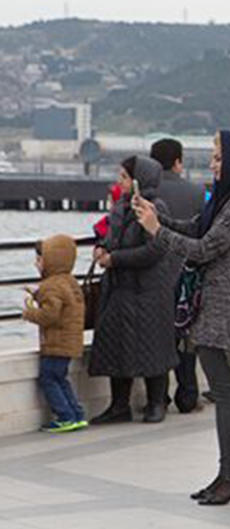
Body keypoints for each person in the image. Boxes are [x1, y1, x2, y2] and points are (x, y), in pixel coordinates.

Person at [134, 130, 230, 506]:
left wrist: (156, 232)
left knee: (226, 392)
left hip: (225, 308)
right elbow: (196, 227)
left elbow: (205, 248)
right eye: (212, 157)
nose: (213, 165)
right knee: (224, 390)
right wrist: (156, 217)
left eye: (219, 158)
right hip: (212, 303)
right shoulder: (228, 201)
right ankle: (228, 473)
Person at [88, 156, 179, 425]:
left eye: (125, 177)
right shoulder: (120, 207)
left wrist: (115, 259)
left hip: (148, 291)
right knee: (117, 347)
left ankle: (156, 402)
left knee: (153, 347)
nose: (120, 181)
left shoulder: (154, 207)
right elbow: (112, 237)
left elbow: (155, 249)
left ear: (140, 180)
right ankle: (118, 405)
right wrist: (102, 247)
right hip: (119, 290)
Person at [150, 138, 208, 414]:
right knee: (186, 337)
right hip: (187, 272)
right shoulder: (197, 192)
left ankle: (159, 398)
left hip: (154, 273)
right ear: (178, 161)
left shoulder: (149, 192)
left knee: (161, 339)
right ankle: (188, 394)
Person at [24, 235, 87, 433]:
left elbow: (49, 315)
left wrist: (29, 313)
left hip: (56, 343)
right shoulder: (68, 281)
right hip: (70, 342)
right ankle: (76, 414)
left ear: (52, 261)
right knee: (61, 377)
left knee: (48, 378)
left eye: (39, 259)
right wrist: (37, 293)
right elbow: (60, 301)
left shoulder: (51, 285)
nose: (36, 263)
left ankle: (65, 416)